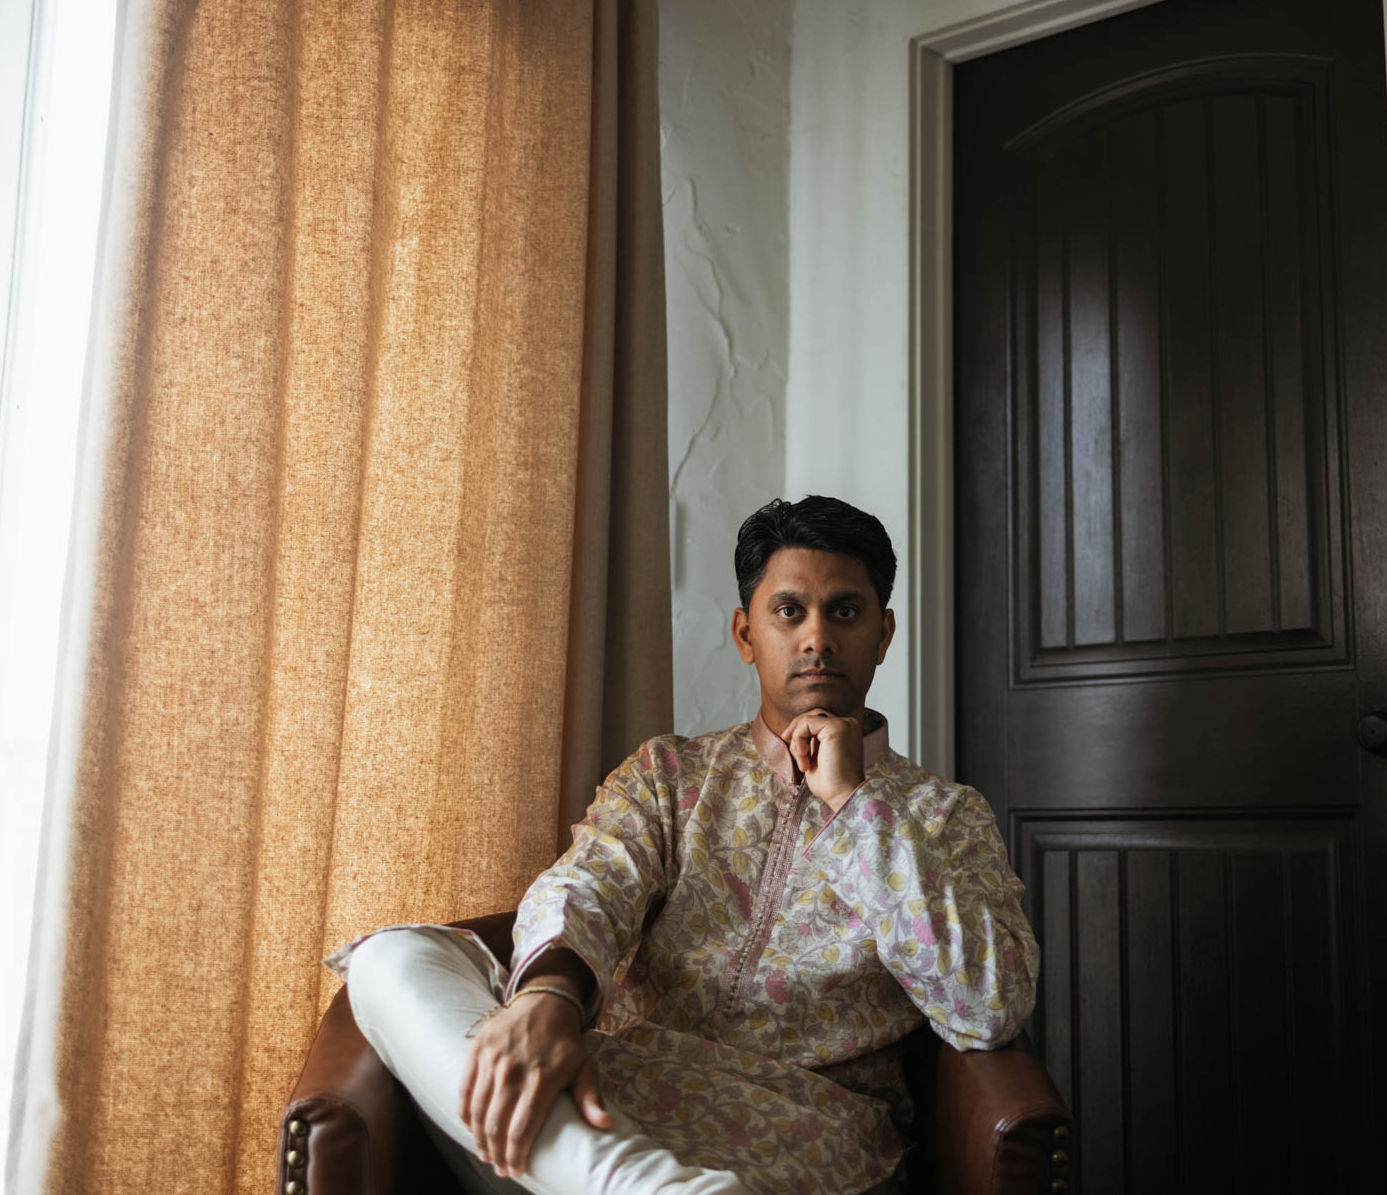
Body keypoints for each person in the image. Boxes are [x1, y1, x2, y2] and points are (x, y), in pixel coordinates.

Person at [329, 496, 1039, 1195]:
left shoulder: (943, 815)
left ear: (883, 635)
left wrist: (856, 804)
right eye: (789, 611)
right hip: (619, 1090)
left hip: (809, 1131)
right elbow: (588, 884)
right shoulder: (670, 776)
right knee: (394, 957)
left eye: (845, 612)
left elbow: (989, 1004)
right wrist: (548, 998)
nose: (817, 638)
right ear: (745, 634)